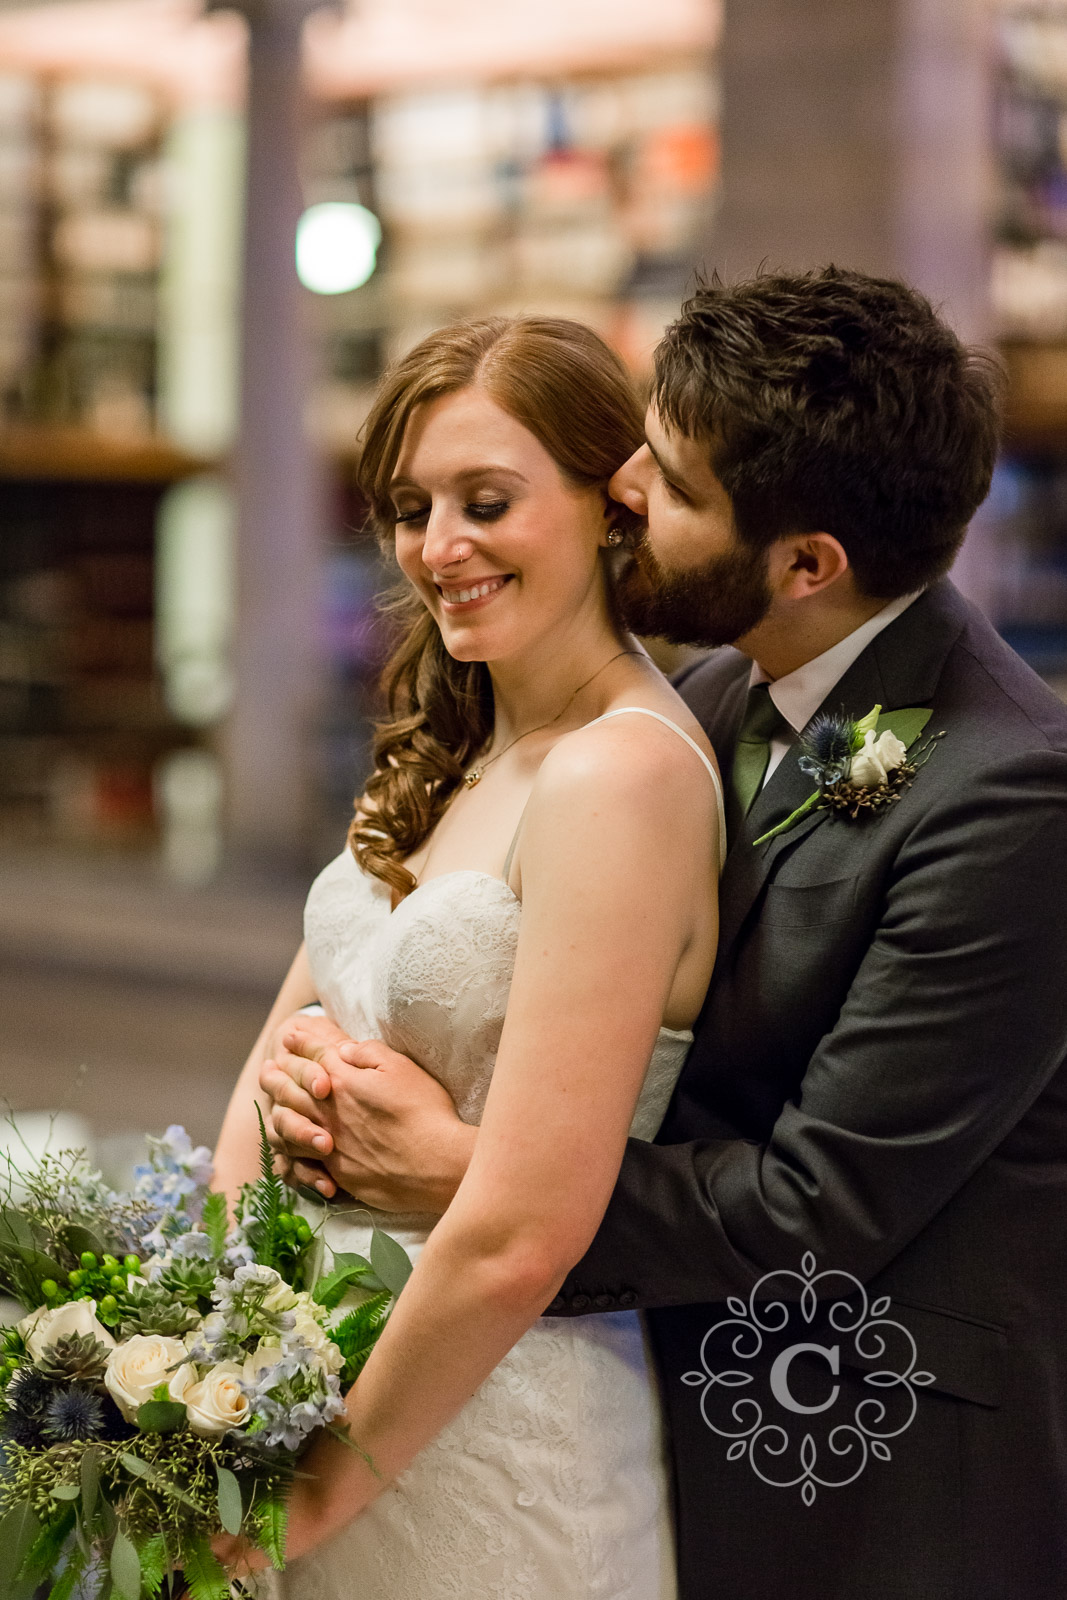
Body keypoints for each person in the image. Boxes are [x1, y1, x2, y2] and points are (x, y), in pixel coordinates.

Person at [265, 269, 1067, 1599]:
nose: (624, 485)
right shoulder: (709, 687)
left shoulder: (1012, 794)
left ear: (807, 563)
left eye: (677, 486)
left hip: (865, 1466)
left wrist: (466, 1170)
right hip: (642, 1378)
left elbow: (825, 1206)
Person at [212, 314, 726, 1597]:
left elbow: (521, 1230)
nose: (438, 547)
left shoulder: (620, 775)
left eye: (485, 500)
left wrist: (310, 1498)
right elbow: (273, 1050)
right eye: (410, 506)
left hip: (486, 1436)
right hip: (301, 1396)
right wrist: (193, 1358)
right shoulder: (452, 752)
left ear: (612, 506)